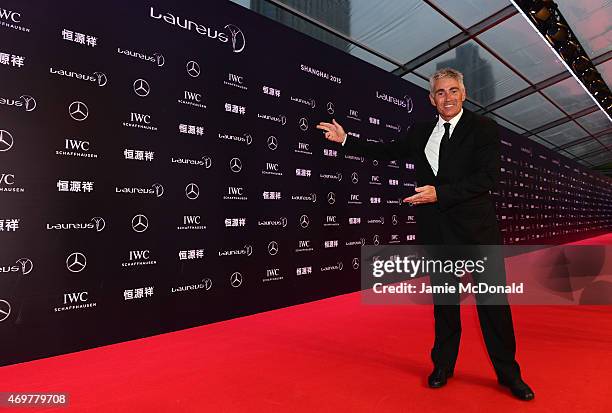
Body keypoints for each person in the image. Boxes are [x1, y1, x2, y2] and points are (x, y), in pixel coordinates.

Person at [316, 68, 534, 401]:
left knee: (493, 305)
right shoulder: (420, 132)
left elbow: (487, 178)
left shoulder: (484, 129)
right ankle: (443, 366)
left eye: (453, 91)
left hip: (478, 232)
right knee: (445, 304)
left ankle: (509, 374)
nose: (448, 97)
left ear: (464, 94)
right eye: (440, 93)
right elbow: (386, 151)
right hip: (438, 231)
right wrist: (346, 140)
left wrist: (439, 194)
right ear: (432, 99)